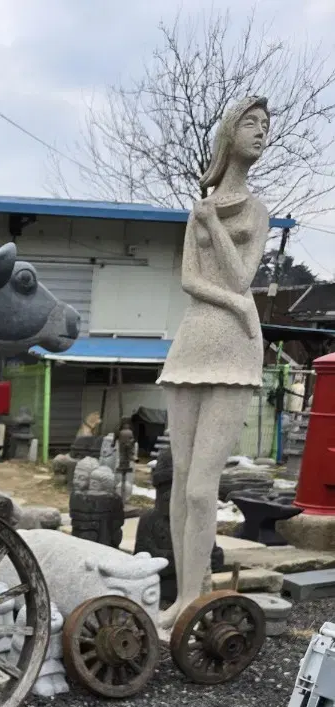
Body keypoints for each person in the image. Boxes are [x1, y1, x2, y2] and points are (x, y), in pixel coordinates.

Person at [157, 96, 270, 628]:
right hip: (194, 342)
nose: (262, 131)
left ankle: (189, 601)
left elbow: (242, 278)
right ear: (230, 132)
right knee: (180, 483)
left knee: (204, 488)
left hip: (235, 347)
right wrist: (226, 301)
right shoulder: (199, 207)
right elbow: (190, 279)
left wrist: (215, 229)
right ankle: (188, 593)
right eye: (252, 122)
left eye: (266, 125)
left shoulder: (256, 209)